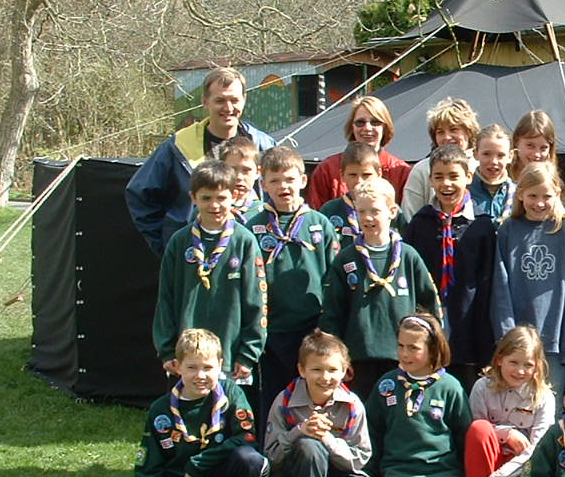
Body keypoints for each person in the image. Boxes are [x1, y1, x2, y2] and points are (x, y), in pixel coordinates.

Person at [134, 328, 268, 477]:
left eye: (208, 367)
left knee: (250, 459)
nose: (201, 375)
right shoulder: (161, 411)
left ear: (221, 365)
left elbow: (247, 437)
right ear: (177, 367)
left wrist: (196, 466)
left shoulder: (231, 394)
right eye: (192, 367)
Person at [127, 67, 275, 255]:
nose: (228, 108)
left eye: (234, 100)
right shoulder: (178, 146)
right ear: (205, 102)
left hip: (251, 254)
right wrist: (168, 245)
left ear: (244, 100)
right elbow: (140, 195)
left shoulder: (264, 145)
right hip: (194, 254)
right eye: (220, 100)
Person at [319, 178, 440, 400]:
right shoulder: (346, 259)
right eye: (361, 211)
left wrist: (431, 351)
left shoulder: (408, 256)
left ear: (392, 211)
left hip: (404, 358)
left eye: (374, 211)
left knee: (399, 411)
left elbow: (429, 307)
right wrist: (338, 357)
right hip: (359, 359)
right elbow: (332, 313)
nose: (367, 218)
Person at [262, 330, 378, 477]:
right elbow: (271, 454)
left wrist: (328, 440)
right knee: (309, 446)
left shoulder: (352, 405)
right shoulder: (284, 401)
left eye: (333, 370)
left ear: (344, 371)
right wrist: (299, 431)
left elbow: (360, 457)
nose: (325, 377)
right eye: (316, 369)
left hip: (337, 474)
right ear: (301, 370)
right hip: (296, 475)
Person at [152, 160, 266, 389]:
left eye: (221, 198)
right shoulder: (179, 242)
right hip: (186, 357)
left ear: (234, 196)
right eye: (206, 198)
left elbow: (257, 301)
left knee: (229, 409)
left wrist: (248, 353)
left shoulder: (244, 241)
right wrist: (167, 350)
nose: (214, 205)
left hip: (230, 356)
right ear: (193, 198)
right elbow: (165, 299)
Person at [244, 146, 338, 423]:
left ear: (303, 180)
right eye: (274, 180)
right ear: (263, 184)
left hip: (312, 328)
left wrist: (327, 324)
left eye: (289, 179)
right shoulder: (252, 227)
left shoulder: (319, 224)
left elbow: (333, 278)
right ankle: (273, 446)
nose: (283, 186)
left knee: (312, 393)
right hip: (270, 330)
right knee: (273, 396)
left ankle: (312, 442)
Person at [367, 314, 469, 477]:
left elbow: (463, 435)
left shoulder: (450, 387)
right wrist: (371, 475)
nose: (404, 354)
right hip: (398, 473)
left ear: (432, 349)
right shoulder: (387, 384)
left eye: (413, 348)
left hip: (440, 474)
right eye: (401, 346)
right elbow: (373, 431)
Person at [491, 161, 565, 400]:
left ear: (557, 193)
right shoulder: (508, 230)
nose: (539, 203)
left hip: (554, 341)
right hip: (518, 345)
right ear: (520, 194)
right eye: (532, 196)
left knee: (548, 407)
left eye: (546, 196)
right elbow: (500, 287)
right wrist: (507, 337)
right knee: (515, 406)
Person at [403, 144, 497, 387]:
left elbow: (488, 284)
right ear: (430, 180)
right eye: (439, 177)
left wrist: (486, 342)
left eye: (454, 176)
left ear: (469, 177)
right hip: (429, 326)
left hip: (469, 327)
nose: (446, 184)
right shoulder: (419, 224)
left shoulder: (482, 226)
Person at [463, 326, 557, 477]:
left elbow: (538, 448)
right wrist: (506, 433)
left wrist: (504, 476)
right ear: (499, 360)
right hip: (490, 457)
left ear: (537, 366)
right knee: (479, 429)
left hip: (523, 464)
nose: (520, 371)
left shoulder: (543, 397)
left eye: (528, 365)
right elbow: (475, 429)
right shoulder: (482, 387)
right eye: (513, 362)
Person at [305, 95, 411, 209]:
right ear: (352, 127)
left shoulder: (401, 171)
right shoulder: (327, 169)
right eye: (360, 122)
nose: (367, 128)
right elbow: (316, 214)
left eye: (375, 122)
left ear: (385, 127)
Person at [401, 98, 480, 218]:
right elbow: (410, 216)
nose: (447, 137)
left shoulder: (481, 166)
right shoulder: (422, 170)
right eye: (440, 132)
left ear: (469, 131)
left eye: (453, 130)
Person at [319, 142, 392, 252]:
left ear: (379, 174)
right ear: (342, 176)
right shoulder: (330, 210)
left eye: (366, 175)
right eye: (353, 175)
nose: (359, 181)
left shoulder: (387, 209)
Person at [468, 124, 515, 225]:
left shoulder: (518, 194)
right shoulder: (464, 192)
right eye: (486, 154)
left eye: (500, 155)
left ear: (510, 156)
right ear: (475, 153)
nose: (494, 161)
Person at [215, 136, 263, 223]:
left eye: (246, 170)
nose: (239, 177)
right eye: (232, 170)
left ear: (257, 172)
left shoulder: (264, 212)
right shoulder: (208, 209)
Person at [508, 110, 558, 181]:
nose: (537, 154)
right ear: (516, 141)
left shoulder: (552, 182)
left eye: (543, 148)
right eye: (530, 146)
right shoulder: (501, 178)